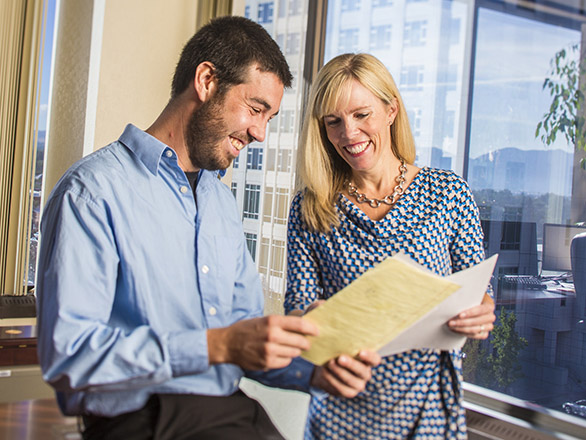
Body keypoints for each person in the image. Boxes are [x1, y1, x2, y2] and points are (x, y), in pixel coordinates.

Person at [36, 17, 380, 440]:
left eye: (268, 118)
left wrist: (313, 367)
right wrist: (217, 346)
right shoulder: (91, 192)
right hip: (142, 421)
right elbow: (69, 357)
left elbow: (245, 339)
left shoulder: (219, 203)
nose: (259, 133)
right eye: (255, 109)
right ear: (206, 80)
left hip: (228, 410)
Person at [285, 52, 496, 439]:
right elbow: (296, 311)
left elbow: (479, 292)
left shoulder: (448, 193)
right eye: (334, 122)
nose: (349, 134)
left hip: (429, 408)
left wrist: (481, 313)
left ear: (391, 111)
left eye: (361, 114)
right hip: (340, 413)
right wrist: (310, 322)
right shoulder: (310, 206)